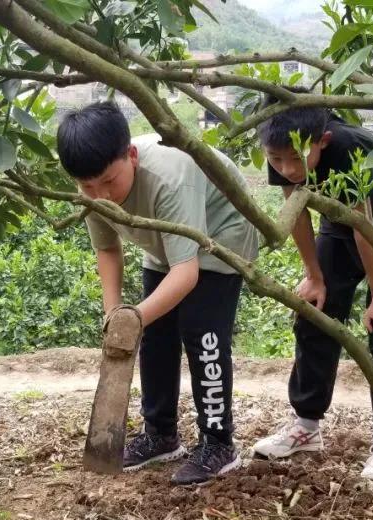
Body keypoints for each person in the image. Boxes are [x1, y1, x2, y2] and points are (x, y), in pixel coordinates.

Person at [56, 101, 259, 486]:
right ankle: (160, 434)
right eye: (88, 187)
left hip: (219, 239)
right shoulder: (93, 186)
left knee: (204, 336)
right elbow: (107, 249)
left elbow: (187, 271)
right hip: (165, 245)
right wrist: (115, 313)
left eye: (110, 182)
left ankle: (218, 443)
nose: (101, 196)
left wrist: (133, 318)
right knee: (154, 337)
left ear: (131, 156)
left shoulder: (169, 177)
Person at [251, 99, 373, 487]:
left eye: (296, 158)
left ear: (321, 141)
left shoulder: (349, 147)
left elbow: (365, 226)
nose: (288, 169)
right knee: (314, 315)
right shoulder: (283, 145)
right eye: (276, 160)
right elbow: (295, 208)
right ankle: (306, 425)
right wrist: (314, 275)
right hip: (337, 228)